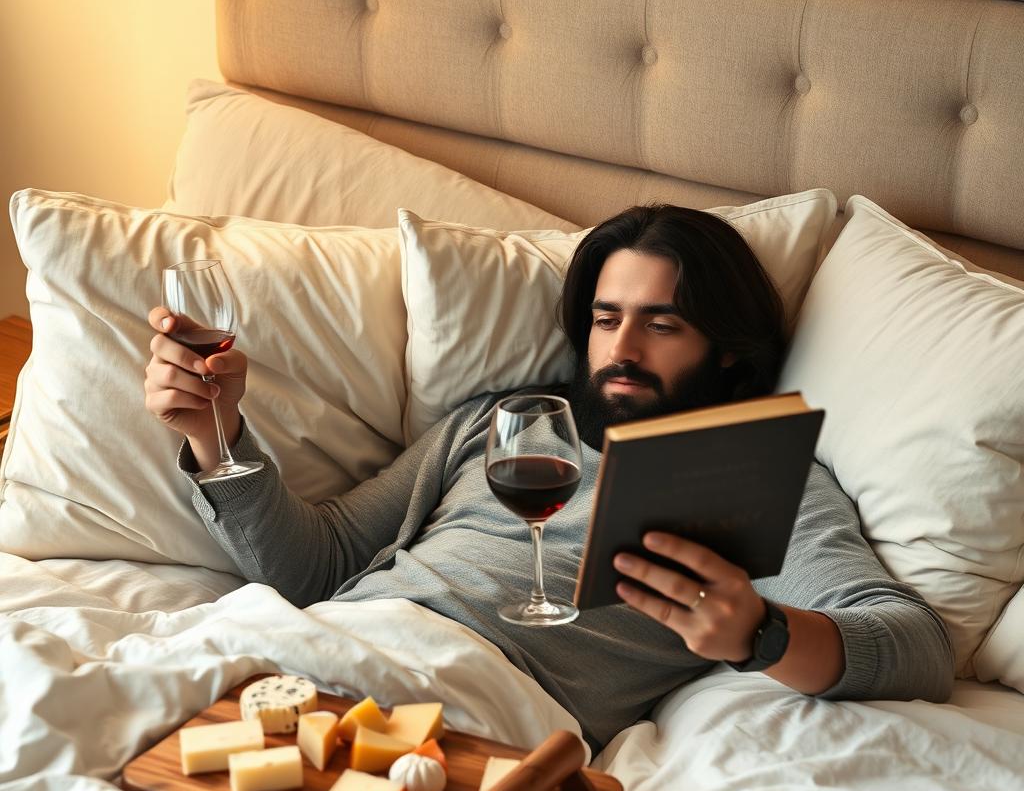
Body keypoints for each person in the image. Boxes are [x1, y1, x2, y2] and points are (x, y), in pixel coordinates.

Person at [144, 205, 955, 752]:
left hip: (480, 696)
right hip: (325, 639)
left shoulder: (760, 474)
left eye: (662, 324)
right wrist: (217, 434)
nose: (623, 348)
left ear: (729, 347)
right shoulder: (495, 422)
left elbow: (916, 646)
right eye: (607, 319)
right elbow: (316, 568)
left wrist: (761, 634)